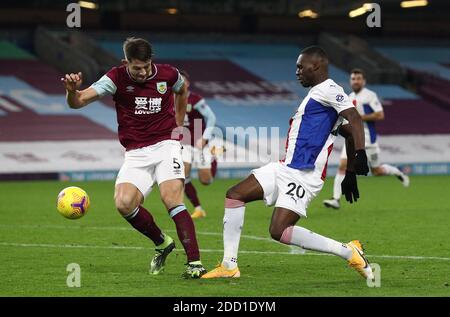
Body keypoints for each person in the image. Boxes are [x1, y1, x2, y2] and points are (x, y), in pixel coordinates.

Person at [201, 46, 374, 281]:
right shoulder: (317, 96)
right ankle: (229, 265)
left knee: (279, 231)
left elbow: (355, 118)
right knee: (235, 195)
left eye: (301, 67)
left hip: (304, 174)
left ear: (317, 65)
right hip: (285, 167)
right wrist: (350, 173)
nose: (297, 71)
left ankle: (348, 251)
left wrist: (360, 156)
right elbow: (348, 132)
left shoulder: (329, 89)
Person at [61, 37, 206, 278]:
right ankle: (162, 242)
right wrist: (71, 92)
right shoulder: (115, 78)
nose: (142, 72)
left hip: (166, 145)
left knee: (171, 197)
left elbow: (182, 91)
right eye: (136, 67)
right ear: (125, 62)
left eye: (146, 66)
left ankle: (194, 263)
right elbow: (78, 102)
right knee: (124, 203)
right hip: (136, 153)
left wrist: (178, 125)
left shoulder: (169, 74)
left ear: (152, 61)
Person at [323, 68, 410, 210]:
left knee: (377, 171)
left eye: (358, 79)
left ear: (363, 81)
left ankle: (397, 172)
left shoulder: (370, 96)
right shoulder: (348, 97)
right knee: (343, 165)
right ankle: (336, 199)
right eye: (353, 79)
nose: (355, 81)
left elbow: (380, 115)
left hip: (369, 141)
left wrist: (358, 118)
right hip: (352, 138)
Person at [179, 70, 218, 219]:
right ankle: (198, 208)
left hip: (199, 142)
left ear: (187, 84)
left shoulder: (195, 100)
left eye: (183, 81)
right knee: (183, 174)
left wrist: (205, 138)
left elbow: (212, 118)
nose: (180, 84)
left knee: (205, 181)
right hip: (183, 142)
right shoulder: (169, 100)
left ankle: (214, 156)